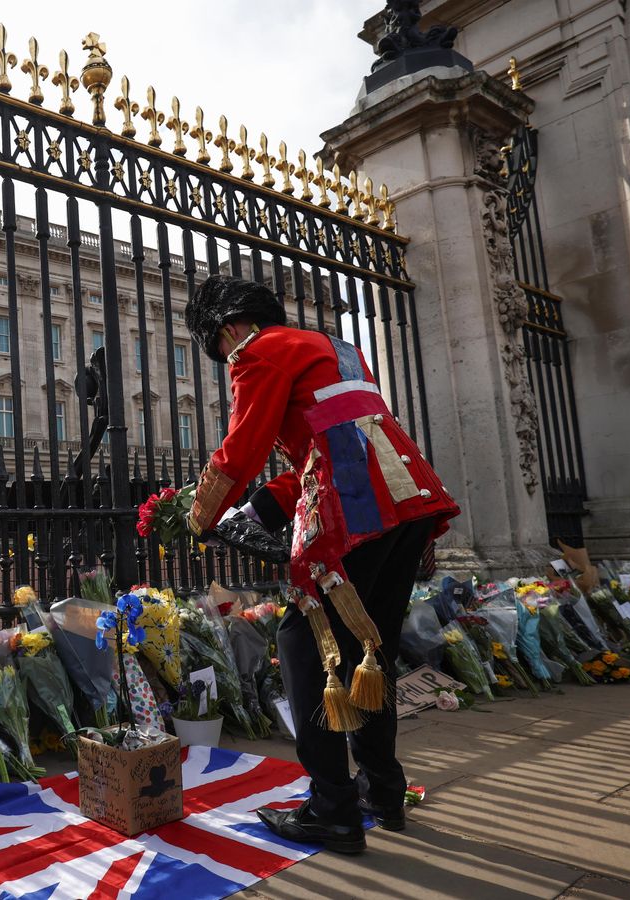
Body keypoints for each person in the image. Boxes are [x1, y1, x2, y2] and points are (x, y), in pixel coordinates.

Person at [183, 275, 458, 854]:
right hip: (405, 500)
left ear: (230, 328)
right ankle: (382, 789)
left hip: (356, 509)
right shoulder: (337, 348)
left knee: (307, 647)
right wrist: (257, 510)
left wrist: (202, 513)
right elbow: (332, 442)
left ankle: (332, 809)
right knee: (370, 649)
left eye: (219, 345)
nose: (226, 355)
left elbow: (244, 445)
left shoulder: (257, 351)